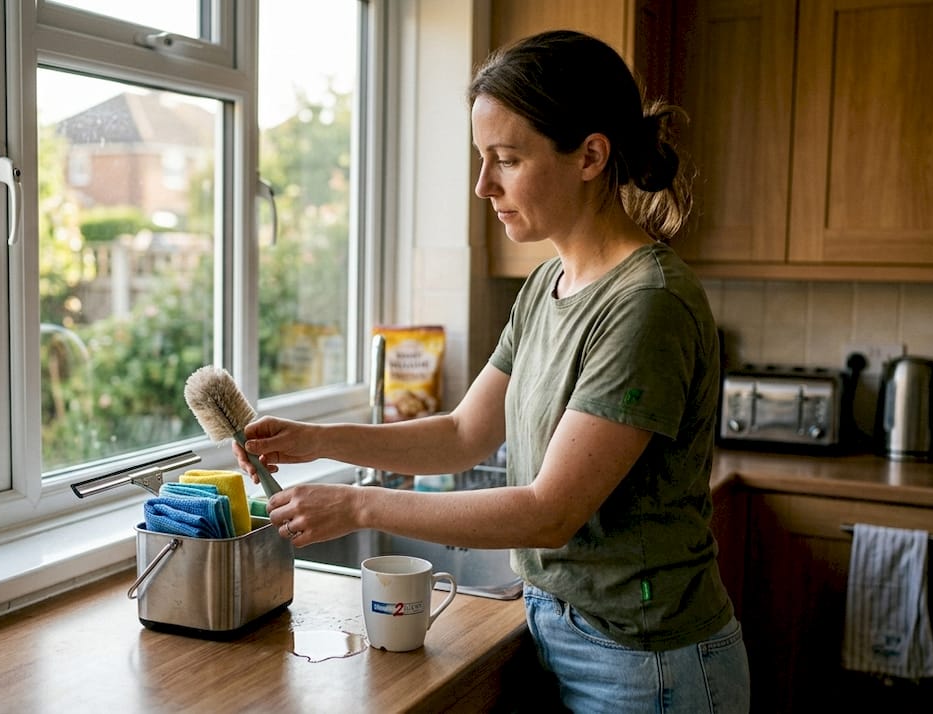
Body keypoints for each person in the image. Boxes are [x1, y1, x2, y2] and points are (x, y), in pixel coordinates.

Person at [233, 29, 750, 713]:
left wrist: (357, 503)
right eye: (483, 159)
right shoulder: (547, 286)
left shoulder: (646, 306)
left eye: (506, 159)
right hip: (561, 630)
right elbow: (461, 435)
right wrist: (320, 438)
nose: (484, 185)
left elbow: (549, 512)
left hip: (647, 663)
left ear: (591, 155)